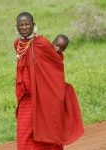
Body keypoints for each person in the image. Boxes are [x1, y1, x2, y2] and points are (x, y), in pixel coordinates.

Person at [14, 12, 84, 150]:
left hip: (43, 98)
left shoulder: (41, 43)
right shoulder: (17, 44)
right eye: (21, 25)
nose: (24, 27)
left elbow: (56, 61)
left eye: (27, 24)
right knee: (24, 135)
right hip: (26, 99)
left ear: (33, 25)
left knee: (47, 132)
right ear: (17, 27)